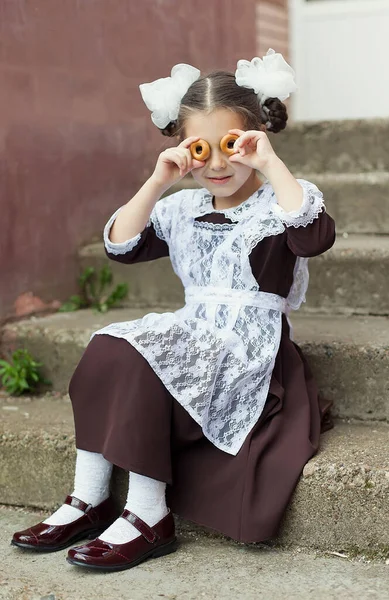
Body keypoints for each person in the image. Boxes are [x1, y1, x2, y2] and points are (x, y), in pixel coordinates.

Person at [11, 49, 335, 571]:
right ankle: (87, 498)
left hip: (248, 356)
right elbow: (121, 244)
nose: (217, 164)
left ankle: (147, 513)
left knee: (142, 355)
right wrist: (159, 179)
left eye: (232, 145)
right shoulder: (181, 208)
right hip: (191, 337)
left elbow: (314, 236)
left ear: (254, 137)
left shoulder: (281, 203)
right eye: (200, 149)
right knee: (110, 345)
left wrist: (271, 163)